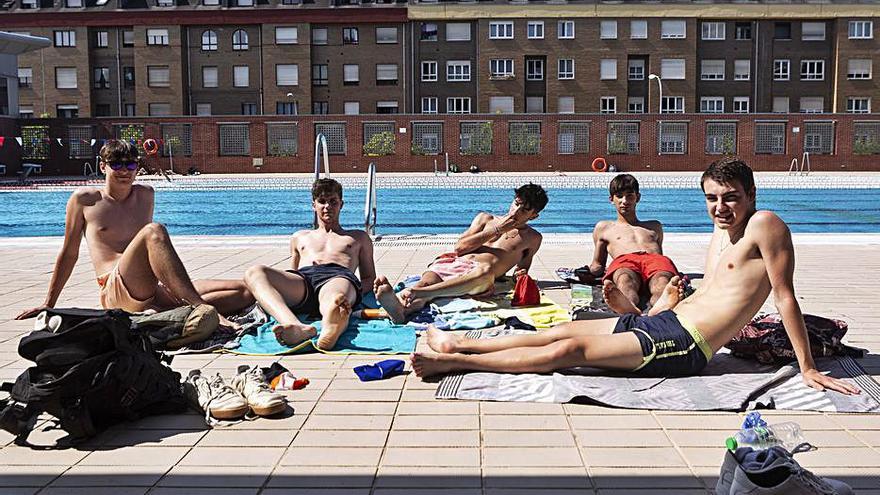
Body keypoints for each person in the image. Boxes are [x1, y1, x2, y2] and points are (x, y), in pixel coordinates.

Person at [409, 159, 861, 397]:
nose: (720, 207)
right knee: (561, 328)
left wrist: (806, 368)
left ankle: (453, 362)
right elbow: (713, 293)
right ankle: (461, 343)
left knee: (569, 351)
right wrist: (659, 307)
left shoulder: (766, 224)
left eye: (730, 198)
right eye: (711, 199)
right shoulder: (721, 233)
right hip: (667, 321)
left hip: (687, 346)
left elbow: (784, 298)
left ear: (752, 195)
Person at [16, 140, 250, 324]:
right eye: (116, 164)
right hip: (114, 288)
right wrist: (49, 303)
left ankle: (165, 313)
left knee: (244, 292)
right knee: (154, 231)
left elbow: (149, 254)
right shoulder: (84, 200)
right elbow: (69, 253)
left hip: (147, 287)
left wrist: (168, 287)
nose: (124, 171)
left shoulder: (145, 194)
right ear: (102, 166)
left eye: (130, 165)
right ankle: (202, 309)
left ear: (137, 167)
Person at [375, 183, 548, 323]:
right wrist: (497, 229)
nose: (516, 211)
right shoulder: (485, 219)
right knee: (425, 282)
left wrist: (520, 275)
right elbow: (459, 248)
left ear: (534, 216)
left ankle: (416, 295)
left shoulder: (532, 238)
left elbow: (522, 271)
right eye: (516, 204)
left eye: (524, 210)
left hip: (479, 276)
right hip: (455, 263)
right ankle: (402, 311)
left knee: (486, 270)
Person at [243, 178, 376, 351]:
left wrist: (355, 292)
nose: (327, 206)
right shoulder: (300, 237)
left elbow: (369, 278)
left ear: (341, 204)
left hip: (338, 276)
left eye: (333, 201)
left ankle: (332, 325)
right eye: (322, 201)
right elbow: (292, 271)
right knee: (254, 272)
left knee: (335, 297)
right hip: (303, 280)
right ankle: (296, 326)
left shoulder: (358, 237)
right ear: (314, 205)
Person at [577, 174, 680, 316]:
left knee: (661, 281)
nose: (624, 201)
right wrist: (584, 273)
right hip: (625, 261)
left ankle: (661, 307)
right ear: (611, 199)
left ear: (638, 197)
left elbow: (659, 256)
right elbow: (598, 264)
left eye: (629, 196)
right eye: (619, 196)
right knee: (625, 280)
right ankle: (628, 307)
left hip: (655, 260)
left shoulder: (654, 226)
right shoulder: (604, 227)